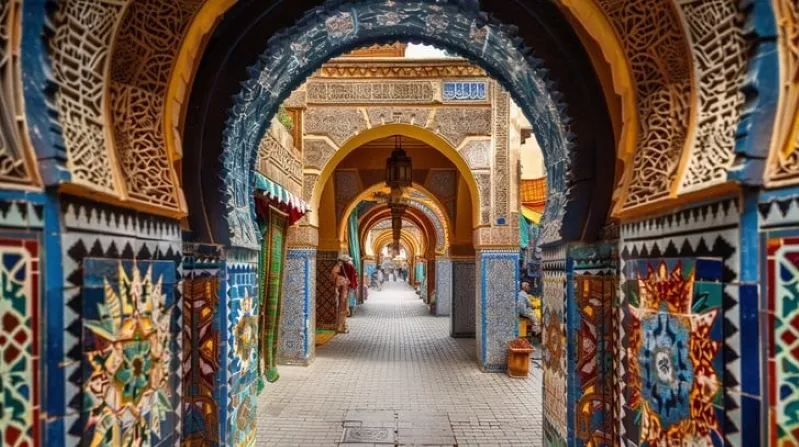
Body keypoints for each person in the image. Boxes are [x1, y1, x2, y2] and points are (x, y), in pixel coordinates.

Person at [331, 255, 351, 333]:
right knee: (341, 308)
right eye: (346, 262)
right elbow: (334, 279)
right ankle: (340, 326)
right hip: (340, 294)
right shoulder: (338, 271)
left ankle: (342, 326)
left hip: (343, 294)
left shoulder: (342, 272)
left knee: (343, 308)